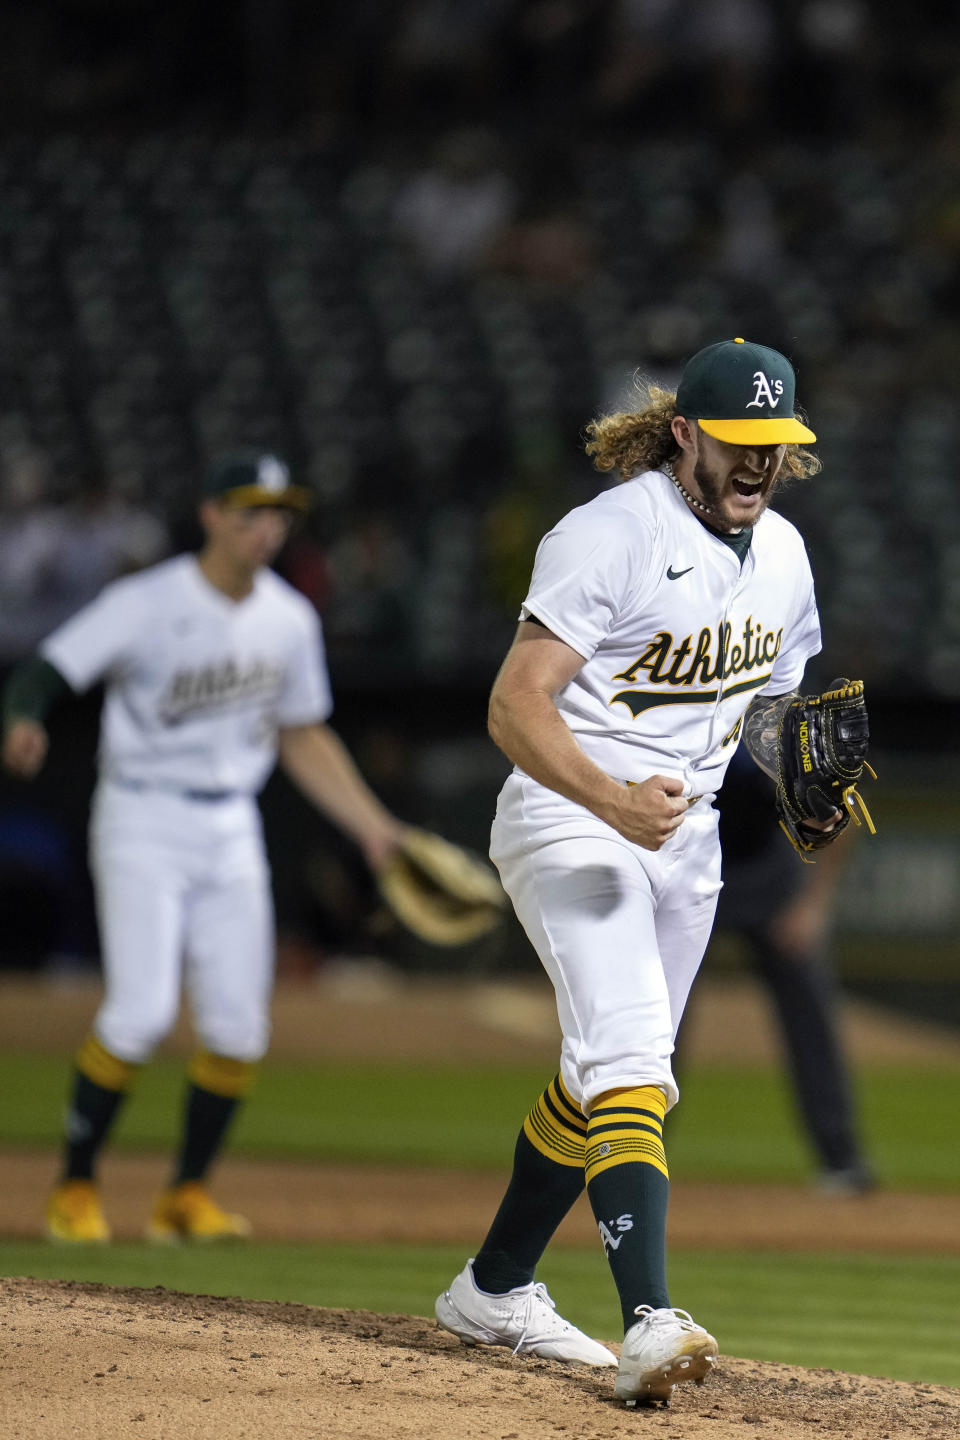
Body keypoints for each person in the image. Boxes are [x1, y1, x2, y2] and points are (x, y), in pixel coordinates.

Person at [435, 337, 842, 1406]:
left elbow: (770, 708)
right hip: (572, 816)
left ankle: (494, 1285)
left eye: (778, 445)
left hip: (689, 837)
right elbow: (514, 701)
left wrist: (795, 764)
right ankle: (650, 1319)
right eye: (741, 443)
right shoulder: (609, 535)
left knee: (611, 1075)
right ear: (684, 434)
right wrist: (608, 798)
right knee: (627, 1057)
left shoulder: (788, 555)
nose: (760, 463)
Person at [1, 451, 407, 1244]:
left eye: (280, 512)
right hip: (142, 815)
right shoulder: (146, 602)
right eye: (251, 510)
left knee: (237, 1027)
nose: (268, 527)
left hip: (232, 827)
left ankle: (183, 1197)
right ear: (211, 515)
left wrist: (372, 826)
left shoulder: (288, 617)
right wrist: (23, 717)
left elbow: (302, 735)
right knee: (141, 1013)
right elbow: (46, 670)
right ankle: (74, 1188)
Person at [702, 745, 876, 1193]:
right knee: (659, 1020)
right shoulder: (686, 714)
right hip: (692, 873)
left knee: (810, 1012)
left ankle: (842, 1160)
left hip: (771, 878)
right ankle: (631, 1157)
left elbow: (846, 807)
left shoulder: (776, 729)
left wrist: (812, 905)